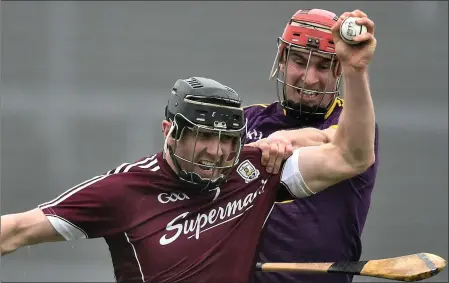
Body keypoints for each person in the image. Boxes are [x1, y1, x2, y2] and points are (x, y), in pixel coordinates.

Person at [1, 11, 376, 283]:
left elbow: (350, 151)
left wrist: (356, 71)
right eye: (204, 136)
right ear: (169, 131)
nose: (215, 152)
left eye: (226, 140)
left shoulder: (257, 168)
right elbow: (16, 229)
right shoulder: (126, 190)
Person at [245, 8, 380, 283]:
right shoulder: (246, 121)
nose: (308, 78)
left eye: (322, 66)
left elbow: (339, 143)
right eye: (298, 61)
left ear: (339, 69)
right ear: (282, 59)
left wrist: (357, 69)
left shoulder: (354, 125)